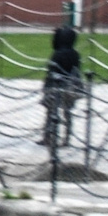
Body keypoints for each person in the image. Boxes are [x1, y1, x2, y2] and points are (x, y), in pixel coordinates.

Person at [43, 17, 87, 156]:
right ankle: (67, 138)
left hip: (56, 87)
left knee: (51, 113)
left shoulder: (57, 54)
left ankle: (48, 136)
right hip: (71, 87)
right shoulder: (75, 54)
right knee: (67, 113)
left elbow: (52, 72)